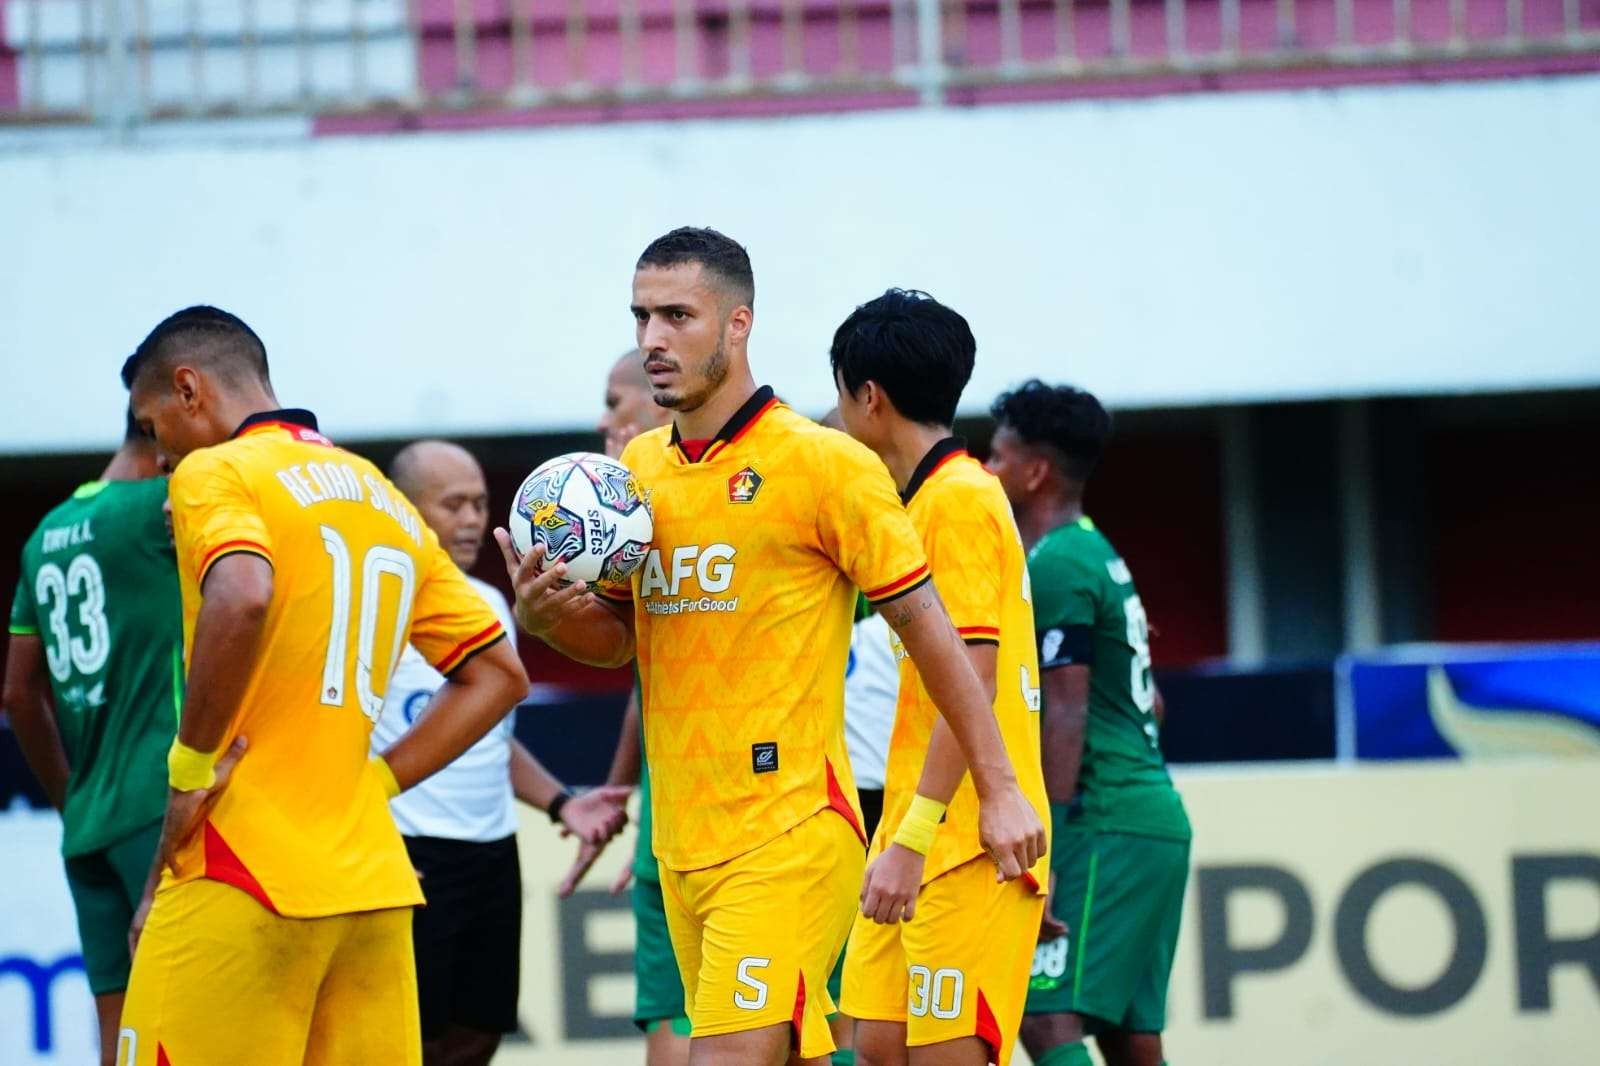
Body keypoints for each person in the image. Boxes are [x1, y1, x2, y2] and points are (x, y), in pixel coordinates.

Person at [495, 227, 1044, 1066]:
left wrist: (1000, 789)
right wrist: (545, 619)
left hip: (787, 831)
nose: (652, 339)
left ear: (739, 324)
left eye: (677, 315)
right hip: (682, 847)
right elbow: (618, 647)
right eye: (642, 316)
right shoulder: (633, 475)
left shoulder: (825, 465)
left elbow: (938, 636)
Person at [116, 305, 530, 1066]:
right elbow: (499, 675)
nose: (158, 460)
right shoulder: (380, 493)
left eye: (151, 429)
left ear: (188, 389)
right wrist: (375, 781)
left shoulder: (221, 471)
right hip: (371, 886)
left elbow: (242, 594)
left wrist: (187, 769)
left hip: (242, 868)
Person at [831, 290, 1050, 1066]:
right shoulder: (918, 502)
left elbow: (973, 679)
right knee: (877, 1049)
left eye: (839, 392)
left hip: (962, 841)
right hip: (915, 830)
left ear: (869, 397)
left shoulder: (956, 500)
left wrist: (914, 839)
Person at [372, 439, 631, 1066]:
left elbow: (488, 735)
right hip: (408, 849)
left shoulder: (489, 605)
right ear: (405, 509)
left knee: (479, 1033)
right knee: (407, 1040)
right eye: (452, 504)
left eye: (479, 504)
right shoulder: (375, 605)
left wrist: (561, 803)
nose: (469, 520)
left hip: (491, 851)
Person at [986, 380, 1193, 1066]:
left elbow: (1067, 707)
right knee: (1130, 1036)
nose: (988, 471)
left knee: (1045, 1017)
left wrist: (1047, 836)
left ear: (1035, 470)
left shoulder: (1057, 563)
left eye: (998, 456)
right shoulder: (1095, 550)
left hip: (1100, 817)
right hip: (1146, 815)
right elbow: (1151, 701)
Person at [3, 411, 179, 1066]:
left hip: (90, 822)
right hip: (162, 811)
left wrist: (72, 797)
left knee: (120, 1035)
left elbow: (19, 694)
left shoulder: (45, 533)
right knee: (193, 1026)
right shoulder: (166, 505)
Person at [561, 350, 694, 1066]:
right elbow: (647, 666)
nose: (602, 420)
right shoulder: (629, 520)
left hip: (771, 822)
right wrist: (625, 785)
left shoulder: (736, 495)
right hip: (670, 820)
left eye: (616, 401)